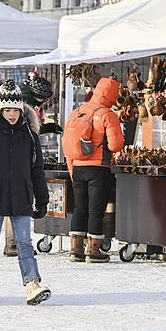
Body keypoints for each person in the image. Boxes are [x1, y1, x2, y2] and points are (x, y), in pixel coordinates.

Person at [0, 79, 51, 305]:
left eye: (16, 109)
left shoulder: (30, 136)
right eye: (7, 110)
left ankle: (32, 284)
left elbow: (37, 170)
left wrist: (42, 199)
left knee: (24, 241)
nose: (12, 114)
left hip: (22, 194)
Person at [67, 77, 124, 263]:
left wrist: (72, 168)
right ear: (112, 95)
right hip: (98, 168)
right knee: (96, 210)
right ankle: (94, 250)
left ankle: (75, 249)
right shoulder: (108, 114)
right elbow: (115, 145)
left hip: (77, 167)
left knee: (80, 208)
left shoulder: (77, 111)